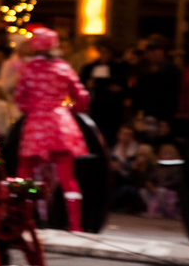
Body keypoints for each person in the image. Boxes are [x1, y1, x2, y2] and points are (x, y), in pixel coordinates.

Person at [13, 26, 91, 231]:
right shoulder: (64, 67)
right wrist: (71, 109)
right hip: (61, 124)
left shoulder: (28, 69)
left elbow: (19, 98)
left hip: (36, 125)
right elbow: (82, 97)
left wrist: (32, 108)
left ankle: (24, 220)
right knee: (68, 177)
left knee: (25, 173)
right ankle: (75, 225)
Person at [78, 42, 126, 144]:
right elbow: (82, 84)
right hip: (95, 106)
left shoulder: (118, 67)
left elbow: (123, 87)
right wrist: (88, 84)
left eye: (106, 52)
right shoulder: (89, 67)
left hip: (112, 108)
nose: (104, 55)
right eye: (102, 52)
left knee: (111, 135)